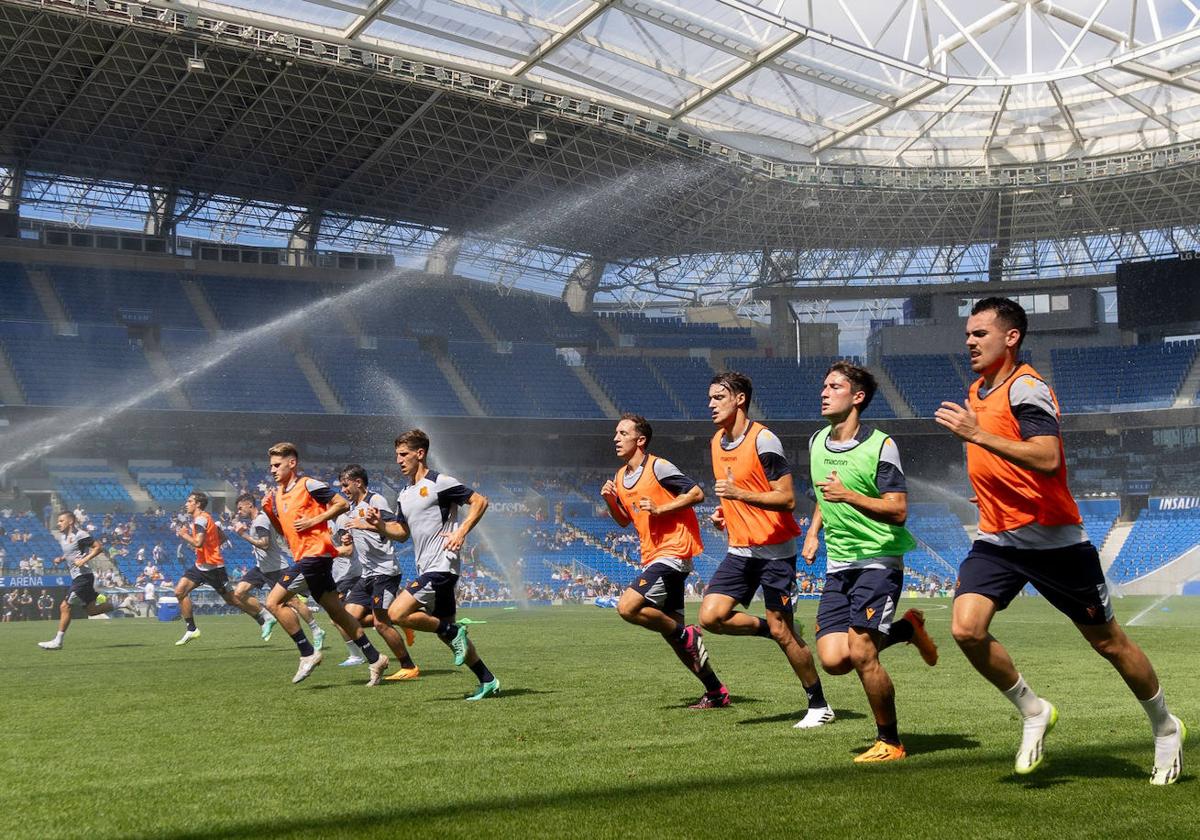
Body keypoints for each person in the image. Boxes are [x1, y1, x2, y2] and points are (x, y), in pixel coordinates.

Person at [935, 296, 1185, 784]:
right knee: (966, 629)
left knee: (1110, 643)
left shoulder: (1028, 388)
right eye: (967, 334)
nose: (969, 341)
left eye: (979, 333)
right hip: (998, 540)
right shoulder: (977, 390)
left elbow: (1047, 458)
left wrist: (977, 436)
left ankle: (1164, 726)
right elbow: (1002, 460)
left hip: (1057, 545)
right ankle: (1034, 710)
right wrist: (988, 491)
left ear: (1011, 337)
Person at [804, 361, 939, 762]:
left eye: (834, 386)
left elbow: (897, 510)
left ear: (857, 397)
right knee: (833, 660)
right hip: (838, 564)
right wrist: (814, 532)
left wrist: (851, 497)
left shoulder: (882, 445)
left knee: (863, 653)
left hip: (878, 560)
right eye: (824, 386)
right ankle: (906, 630)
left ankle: (891, 741)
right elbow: (823, 494)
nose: (824, 392)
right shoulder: (815, 442)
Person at [698, 371, 833, 729]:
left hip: (776, 552)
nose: (710, 404)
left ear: (739, 399)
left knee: (785, 632)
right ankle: (767, 628)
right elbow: (735, 493)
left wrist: (739, 496)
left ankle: (819, 704)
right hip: (741, 551)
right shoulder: (716, 442)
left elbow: (787, 499)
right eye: (710, 398)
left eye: (718, 397)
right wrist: (724, 513)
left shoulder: (764, 440)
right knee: (711, 617)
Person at [600, 414, 729, 708]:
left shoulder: (658, 466)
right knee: (675, 639)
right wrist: (610, 500)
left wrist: (662, 508)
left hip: (673, 552)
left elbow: (696, 493)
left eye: (623, 433)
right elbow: (624, 521)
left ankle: (686, 632)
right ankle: (716, 692)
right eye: (616, 433)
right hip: (653, 555)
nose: (616, 438)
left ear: (640, 440)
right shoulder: (620, 477)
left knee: (627, 607)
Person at [363, 429, 499, 700]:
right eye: (397, 455)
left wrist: (460, 532)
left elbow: (480, 502)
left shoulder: (440, 482)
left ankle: (454, 630)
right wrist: (379, 525)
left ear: (420, 454)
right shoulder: (404, 494)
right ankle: (488, 680)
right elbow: (401, 533)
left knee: (397, 613)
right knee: (446, 635)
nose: (399, 460)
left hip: (443, 565)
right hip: (427, 567)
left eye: (404, 455)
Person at [261, 442, 388, 685]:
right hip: (305, 556)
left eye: (277, 465)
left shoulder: (308, 484)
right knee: (338, 613)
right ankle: (375, 658)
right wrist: (269, 512)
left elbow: (341, 503)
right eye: (271, 466)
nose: (273, 470)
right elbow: (285, 534)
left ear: (292, 463)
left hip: (315, 554)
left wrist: (314, 520)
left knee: (273, 602)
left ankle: (308, 653)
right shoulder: (278, 494)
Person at [333, 465, 418, 680]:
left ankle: (409, 667)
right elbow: (355, 545)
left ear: (358, 482)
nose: (343, 490)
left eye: (345, 485)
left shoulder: (375, 500)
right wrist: (348, 539)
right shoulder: (351, 508)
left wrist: (366, 525)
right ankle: (397, 620)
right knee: (347, 620)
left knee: (380, 624)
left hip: (385, 572)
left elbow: (394, 527)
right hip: (367, 575)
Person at [230, 492, 325, 650]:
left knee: (293, 601)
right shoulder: (256, 521)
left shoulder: (260, 520)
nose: (239, 511)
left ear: (249, 505)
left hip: (276, 569)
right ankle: (267, 617)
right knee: (239, 592)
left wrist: (243, 535)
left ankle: (317, 630)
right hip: (262, 568)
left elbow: (265, 544)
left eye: (240, 508)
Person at [172, 491, 260, 645]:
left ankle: (261, 617)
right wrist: (209, 547)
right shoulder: (206, 518)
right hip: (201, 566)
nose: (186, 504)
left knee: (232, 600)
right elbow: (222, 538)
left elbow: (198, 543)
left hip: (214, 568)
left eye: (189, 501)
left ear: (198, 504)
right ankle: (192, 629)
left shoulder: (200, 519)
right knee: (179, 591)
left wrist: (184, 535)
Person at [37, 511, 115, 649]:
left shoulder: (81, 535)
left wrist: (84, 560)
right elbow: (70, 553)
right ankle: (119, 604)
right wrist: (61, 558)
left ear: (70, 521)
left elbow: (98, 547)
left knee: (65, 606)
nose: (58, 523)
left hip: (83, 577)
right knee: (91, 611)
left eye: (61, 521)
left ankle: (58, 641)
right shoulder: (62, 537)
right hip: (79, 577)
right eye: (58, 521)